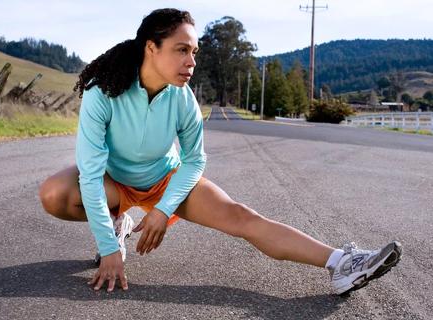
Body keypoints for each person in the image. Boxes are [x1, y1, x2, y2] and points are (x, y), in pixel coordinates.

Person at [39, 8, 402, 295]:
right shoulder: (102, 91)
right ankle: (118, 224)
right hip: (112, 182)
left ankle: (342, 263)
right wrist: (108, 250)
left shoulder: (182, 98)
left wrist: (164, 210)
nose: (191, 61)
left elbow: (194, 159)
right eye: (182, 50)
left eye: (194, 52)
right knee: (54, 194)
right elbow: (90, 171)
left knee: (241, 216)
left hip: (165, 181)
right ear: (151, 47)